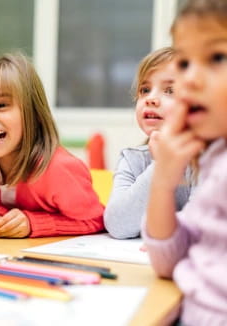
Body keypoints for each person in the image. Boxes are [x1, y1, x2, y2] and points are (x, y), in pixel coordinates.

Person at [0, 53, 104, 238]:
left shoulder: (59, 169)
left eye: (1, 105)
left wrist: (34, 224)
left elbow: (97, 220)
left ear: (33, 112)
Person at [142, 0, 227, 324]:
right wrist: (163, 180)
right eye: (184, 62)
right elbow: (169, 261)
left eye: (217, 57)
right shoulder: (215, 156)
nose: (188, 80)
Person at [104, 47, 193, 239]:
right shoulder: (132, 159)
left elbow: (203, 226)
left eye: (170, 90)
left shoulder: (209, 160)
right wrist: (161, 166)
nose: (151, 99)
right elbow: (117, 225)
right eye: (145, 90)